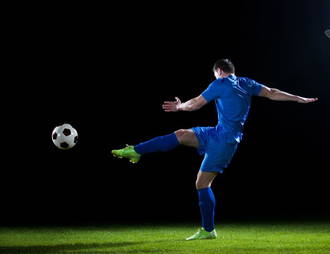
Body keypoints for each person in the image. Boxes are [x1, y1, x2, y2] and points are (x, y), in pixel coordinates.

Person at [112, 59, 318, 240]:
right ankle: (136, 150)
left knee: (202, 183)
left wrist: (179, 106)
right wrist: (299, 98)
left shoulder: (220, 83)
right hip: (217, 133)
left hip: (225, 141)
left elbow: (195, 104)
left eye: (215, 73)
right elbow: (272, 93)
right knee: (181, 134)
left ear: (218, 71)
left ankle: (208, 230)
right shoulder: (246, 82)